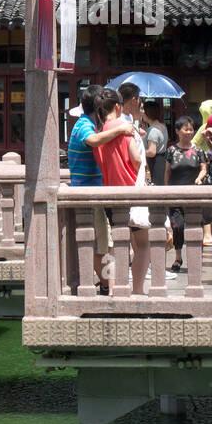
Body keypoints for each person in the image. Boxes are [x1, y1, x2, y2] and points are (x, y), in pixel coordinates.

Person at [68, 84, 135, 295]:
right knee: (101, 245)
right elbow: (93, 141)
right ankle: (109, 287)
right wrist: (121, 129)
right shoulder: (84, 125)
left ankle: (108, 284)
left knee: (104, 243)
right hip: (88, 192)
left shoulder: (88, 123)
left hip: (94, 190)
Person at [90, 87, 149, 295]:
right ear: (117, 106)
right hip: (130, 192)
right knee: (142, 244)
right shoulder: (125, 128)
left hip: (109, 193)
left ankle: (114, 288)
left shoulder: (99, 133)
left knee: (112, 245)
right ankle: (138, 290)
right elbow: (137, 159)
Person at [163, 115, 207, 273]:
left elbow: (203, 168)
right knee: (178, 226)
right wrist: (166, 190)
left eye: (191, 129)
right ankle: (178, 257)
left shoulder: (198, 150)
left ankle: (197, 258)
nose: (189, 132)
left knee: (196, 226)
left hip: (193, 194)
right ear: (177, 131)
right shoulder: (171, 150)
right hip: (175, 194)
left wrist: (199, 178)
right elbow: (167, 172)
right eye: (186, 129)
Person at [142, 100, 168, 186]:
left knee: (157, 187)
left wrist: (139, 151)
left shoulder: (153, 130)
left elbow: (151, 152)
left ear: (147, 113)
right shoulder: (162, 126)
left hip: (155, 163)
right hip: (163, 160)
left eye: (143, 110)